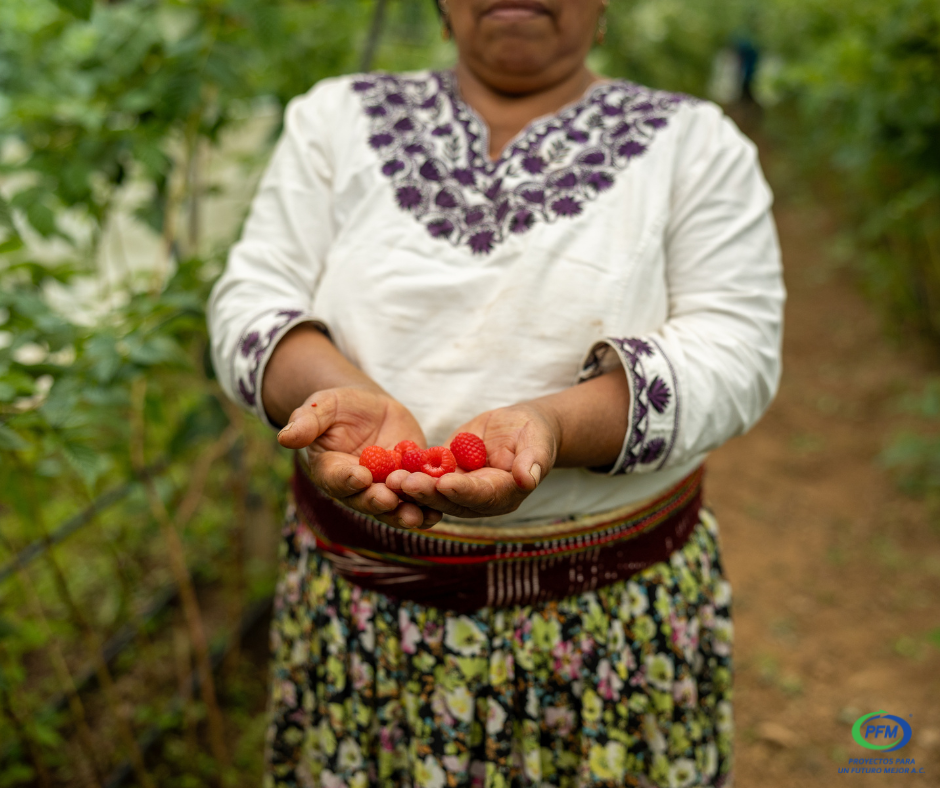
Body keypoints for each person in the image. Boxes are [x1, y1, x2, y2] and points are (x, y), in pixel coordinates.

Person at [208, 0, 785, 785]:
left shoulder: (697, 144)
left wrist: (553, 424)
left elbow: (737, 349)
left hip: (608, 628)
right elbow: (250, 298)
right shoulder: (334, 119)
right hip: (363, 616)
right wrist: (337, 393)